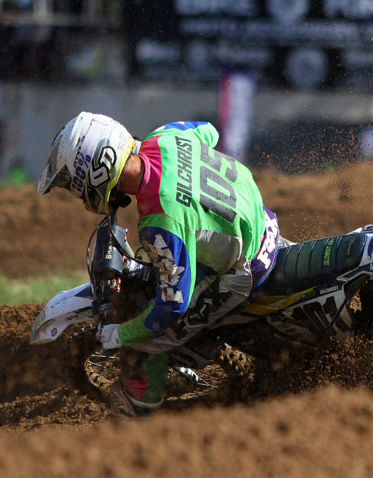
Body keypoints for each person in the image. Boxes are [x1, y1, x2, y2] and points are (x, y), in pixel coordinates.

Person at [37, 112, 280, 416]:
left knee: (142, 341)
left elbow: (171, 306)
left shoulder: (159, 217)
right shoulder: (165, 137)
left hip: (246, 268)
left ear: (97, 170)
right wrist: (192, 172)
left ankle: (141, 411)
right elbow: (208, 131)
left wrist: (119, 335)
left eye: (73, 184)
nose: (77, 195)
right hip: (263, 222)